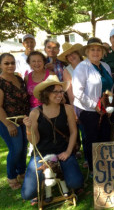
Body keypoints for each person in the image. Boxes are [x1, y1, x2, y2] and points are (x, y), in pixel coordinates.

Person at [21, 75, 84, 202]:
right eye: (56, 91)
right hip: (41, 154)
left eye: (61, 91)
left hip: (63, 152)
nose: (60, 94)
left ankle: (59, 174)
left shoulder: (67, 108)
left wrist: (68, 151)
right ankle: (47, 178)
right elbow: (34, 141)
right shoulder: (35, 113)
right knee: (27, 195)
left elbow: (73, 132)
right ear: (46, 93)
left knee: (76, 183)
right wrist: (28, 129)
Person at [72, 37, 113, 172]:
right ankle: (93, 169)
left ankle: (105, 166)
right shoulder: (82, 67)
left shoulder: (106, 66)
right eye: (93, 50)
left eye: (98, 50)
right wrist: (94, 105)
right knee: (92, 140)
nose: (96, 52)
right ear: (87, 52)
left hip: (105, 109)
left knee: (105, 136)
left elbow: (110, 87)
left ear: (102, 52)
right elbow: (77, 91)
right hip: (88, 110)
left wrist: (109, 104)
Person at [0, 53, 30, 190]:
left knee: (23, 148)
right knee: (15, 149)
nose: (10, 65)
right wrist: (8, 124)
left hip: (23, 119)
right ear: (0, 65)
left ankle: (21, 172)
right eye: (6, 63)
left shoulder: (19, 78)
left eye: (12, 62)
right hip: (8, 121)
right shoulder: (1, 82)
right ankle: (11, 176)